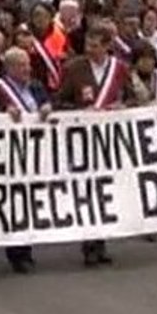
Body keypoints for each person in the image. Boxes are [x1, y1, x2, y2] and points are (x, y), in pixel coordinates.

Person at [55, 24, 136, 267]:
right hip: (83, 138)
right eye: (88, 44)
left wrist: (122, 106)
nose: (90, 49)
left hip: (110, 139)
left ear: (107, 45)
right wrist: (81, 110)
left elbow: (133, 98)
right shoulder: (74, 68)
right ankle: (88, 244)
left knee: (105, 191)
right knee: (87, 191)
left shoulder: (119, 69)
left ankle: (101, 242)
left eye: (95, 45)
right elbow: (59, 101)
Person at [0, 47, 51, 274]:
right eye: (21, 65)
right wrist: (3, 113)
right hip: (10, 157)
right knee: (15, 203)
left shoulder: (37, 87)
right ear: (9, 68)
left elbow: (52, 105)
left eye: (27, 64)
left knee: (29, 203)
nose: (27, 69)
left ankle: (27, 251)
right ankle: (16, 254)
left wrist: (48, 107)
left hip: (36, 153)